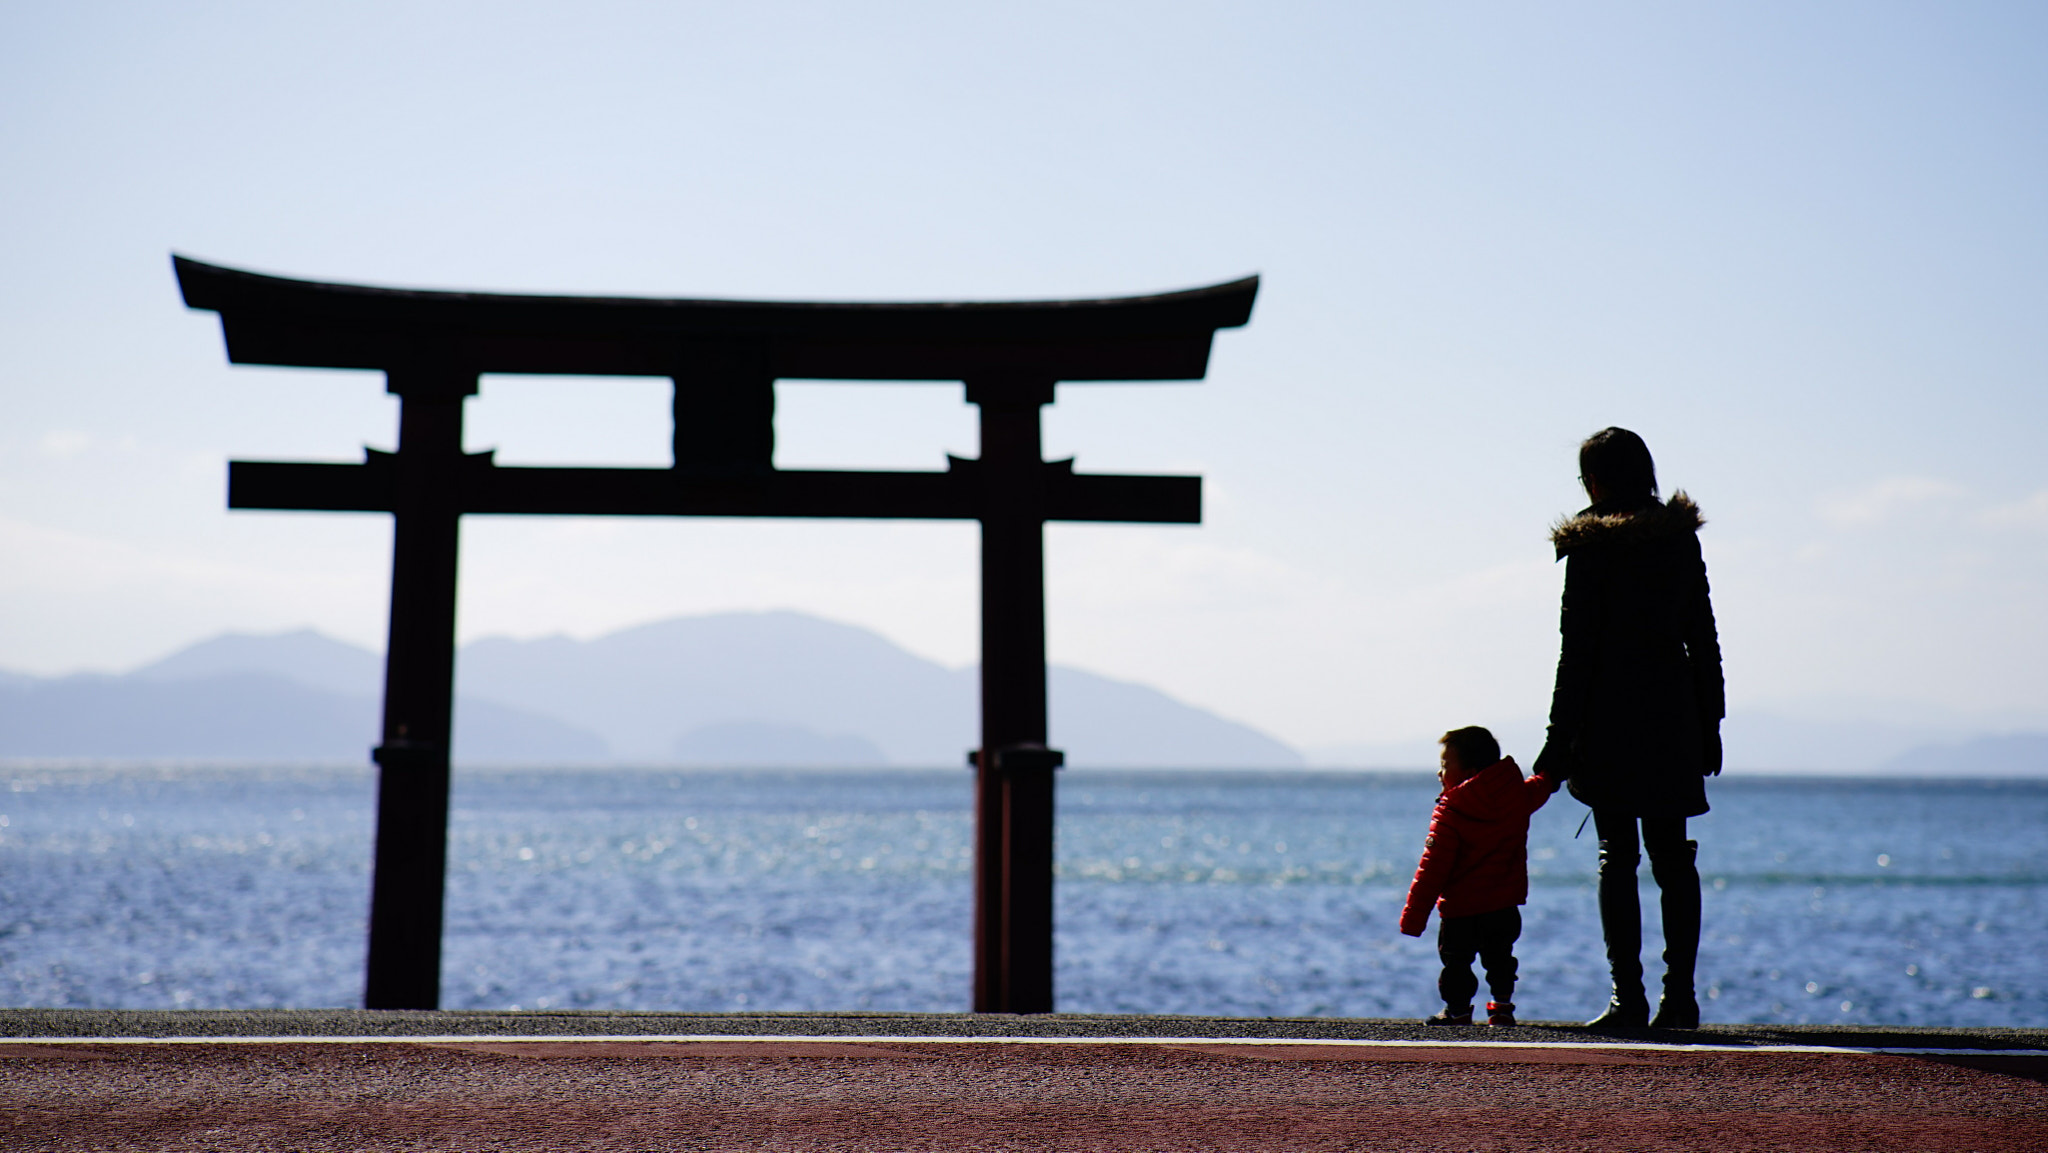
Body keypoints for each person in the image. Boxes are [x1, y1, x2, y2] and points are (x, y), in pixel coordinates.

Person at [1533, 427, 1724, 1029]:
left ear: (1594, 482)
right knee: (1673, 859)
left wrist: (1557, 741)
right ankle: (1680, 999)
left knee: (1618, 856)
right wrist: (1710, 720)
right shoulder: (1677, 541)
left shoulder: (1591, 547)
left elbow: (1578, 652)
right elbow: (1703, 638)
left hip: (1609, 717)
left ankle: (1628, 999)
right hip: (1672, 715)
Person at [1400, 726, 1560, 1027]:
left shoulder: (1451, 812)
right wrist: (1550, 775)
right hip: (1504, 903)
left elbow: (1431, 869)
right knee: (1500, 960)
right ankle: (1501, 1008)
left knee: (1456, 963)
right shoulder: (1515, 797)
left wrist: (1413, 918)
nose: (1439, 772)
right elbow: (1539, 789)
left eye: (1446, 766)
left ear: (1469, 773)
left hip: (1460, 908)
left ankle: (1458, 1010)